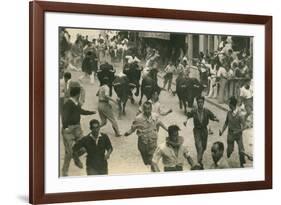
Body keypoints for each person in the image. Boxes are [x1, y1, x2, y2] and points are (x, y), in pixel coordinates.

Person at [61, 86, 96, 176]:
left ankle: (75, 155)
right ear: (78, 94)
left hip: (77, 128)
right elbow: (64, 116)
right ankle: (65, 171)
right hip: (69, 129)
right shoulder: (68, 103)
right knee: (68, 153)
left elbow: (81, 111)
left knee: (84, 147)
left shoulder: (77, 103)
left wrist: (91, 112)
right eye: (80, 94)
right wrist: (65, 127)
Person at [124, 101, 168, 168]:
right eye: (145, 109)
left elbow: (160, 123)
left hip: (152, 142)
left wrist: (168, 130)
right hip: (142, 143)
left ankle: (153, 169)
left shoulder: (155, 116)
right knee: (145, 161)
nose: (147, 111)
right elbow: (133, 128)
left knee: (152, 161)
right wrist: (128, 133)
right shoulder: (138, 118)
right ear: (143, 109)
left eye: (149, 109)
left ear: (151, 109)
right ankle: (148, 164)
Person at [183, 96, 219, 167]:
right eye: (199, 102)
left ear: (203, 103)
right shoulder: (194, 111)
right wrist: (186, 120)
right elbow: (188, 115)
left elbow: (212, 116)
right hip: (197, 130)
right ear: (197, 103)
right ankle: (198, 163)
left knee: (204, 147)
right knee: (199, 146)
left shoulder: (206, 111)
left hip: (204, 130)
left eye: (201, 102)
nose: (200, 104)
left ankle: (200, 158)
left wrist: (216, 119)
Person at [219, 96, 246, 168]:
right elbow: (226, 123)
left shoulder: (240, 114)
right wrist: (222, 131)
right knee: (229, 151)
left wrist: (238, 131)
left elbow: (244, 126)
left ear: (232, 104)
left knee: (241, 150)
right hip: (230, 134)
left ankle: (242, 163)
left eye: (229, 104)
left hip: (238, 135)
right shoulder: (228, 113)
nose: (228, 105)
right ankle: (229, 151)